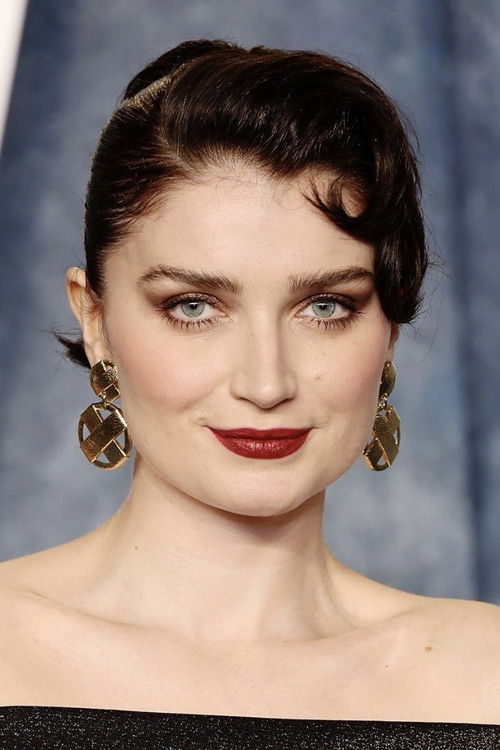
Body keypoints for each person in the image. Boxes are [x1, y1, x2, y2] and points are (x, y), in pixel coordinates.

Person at [0, 38, 498, 749]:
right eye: (193, 307)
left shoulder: (483, 676)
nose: (266, 384)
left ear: (388, 327)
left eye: (325, 306)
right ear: (96, 319)